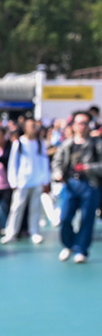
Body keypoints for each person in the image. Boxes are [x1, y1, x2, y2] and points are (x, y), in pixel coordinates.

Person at [53, 110, 99, 263]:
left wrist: (88, 168)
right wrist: (58, 173)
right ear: (73, 125)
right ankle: (68, 245)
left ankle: (81, 250)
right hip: (71, 184)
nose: (82, 126)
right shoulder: (67, 144)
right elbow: (57, 162)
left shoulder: (96, 144)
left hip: (90, 184)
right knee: (65, 218)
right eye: (79, 123)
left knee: (87, 218)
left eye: (85, 123)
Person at [5, 117, 51, 244]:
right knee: (16, 208)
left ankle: (34, 232)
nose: (34, 129)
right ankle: (11, 233)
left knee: (35, 208)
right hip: (22, 182)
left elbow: (44, 162)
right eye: (31, 126)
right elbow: (13, 163)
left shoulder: (40, 143)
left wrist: (45, 180)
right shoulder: (19, 143)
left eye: (35, 126)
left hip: (37, 181)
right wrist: (13, 181)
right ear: (25, 128)